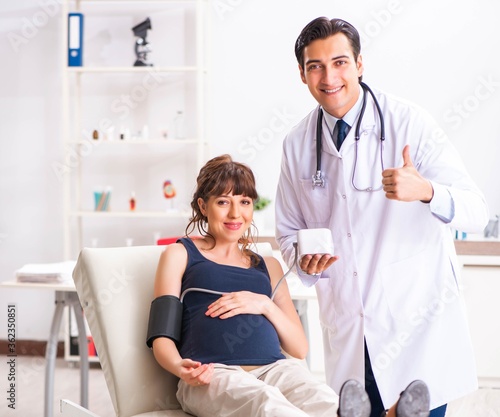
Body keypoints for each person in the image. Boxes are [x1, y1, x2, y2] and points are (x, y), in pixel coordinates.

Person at [275, 16, 489, 417]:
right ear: (302, 74)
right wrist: (303, 260)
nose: (328, 76)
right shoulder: (297, 143)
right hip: (350, 324)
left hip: (415, 321)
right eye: (315, 66)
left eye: (339, 62)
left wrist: (426, 191)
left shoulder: (409, 123)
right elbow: (287, 230)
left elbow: (477, 210)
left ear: (359, 64)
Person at [147, 154, 431, 417]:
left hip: (276, 369)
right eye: (223, 202)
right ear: (202, 206)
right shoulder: (180, 254)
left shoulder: (268, 265)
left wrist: (263, 304)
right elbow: (161, 336)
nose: (236, 214)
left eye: (244, 202)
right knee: (266, 402)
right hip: (213, 374)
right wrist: (179, 368)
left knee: (322, 398)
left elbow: (298, 348)